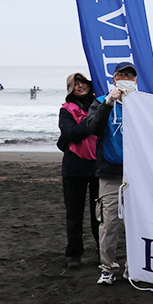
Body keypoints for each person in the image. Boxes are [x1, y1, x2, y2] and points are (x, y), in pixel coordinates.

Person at [85, 61, 138, 285]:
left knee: (138, 224)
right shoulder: (99, 102)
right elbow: (93, 128)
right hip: (110, 172)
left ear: (135, 80)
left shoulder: (142, 104)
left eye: (130, 75)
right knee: (109, 224)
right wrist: (108, 102)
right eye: (121, 74)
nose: (126, 78)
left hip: (138, 174)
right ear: (114, 79)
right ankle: (107, 267)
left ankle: (133, 267)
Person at [57, 72, 99, 269]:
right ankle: (75, 254)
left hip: (98, 167)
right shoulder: (66, 110)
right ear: (70, 90)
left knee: (99, 215)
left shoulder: (100, 104)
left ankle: (102, 252)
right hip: (73, 169)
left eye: (83, 82)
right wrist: (91, 122)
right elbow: (70, 133)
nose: (80, 86)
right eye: (76, 84)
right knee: (74, 214)